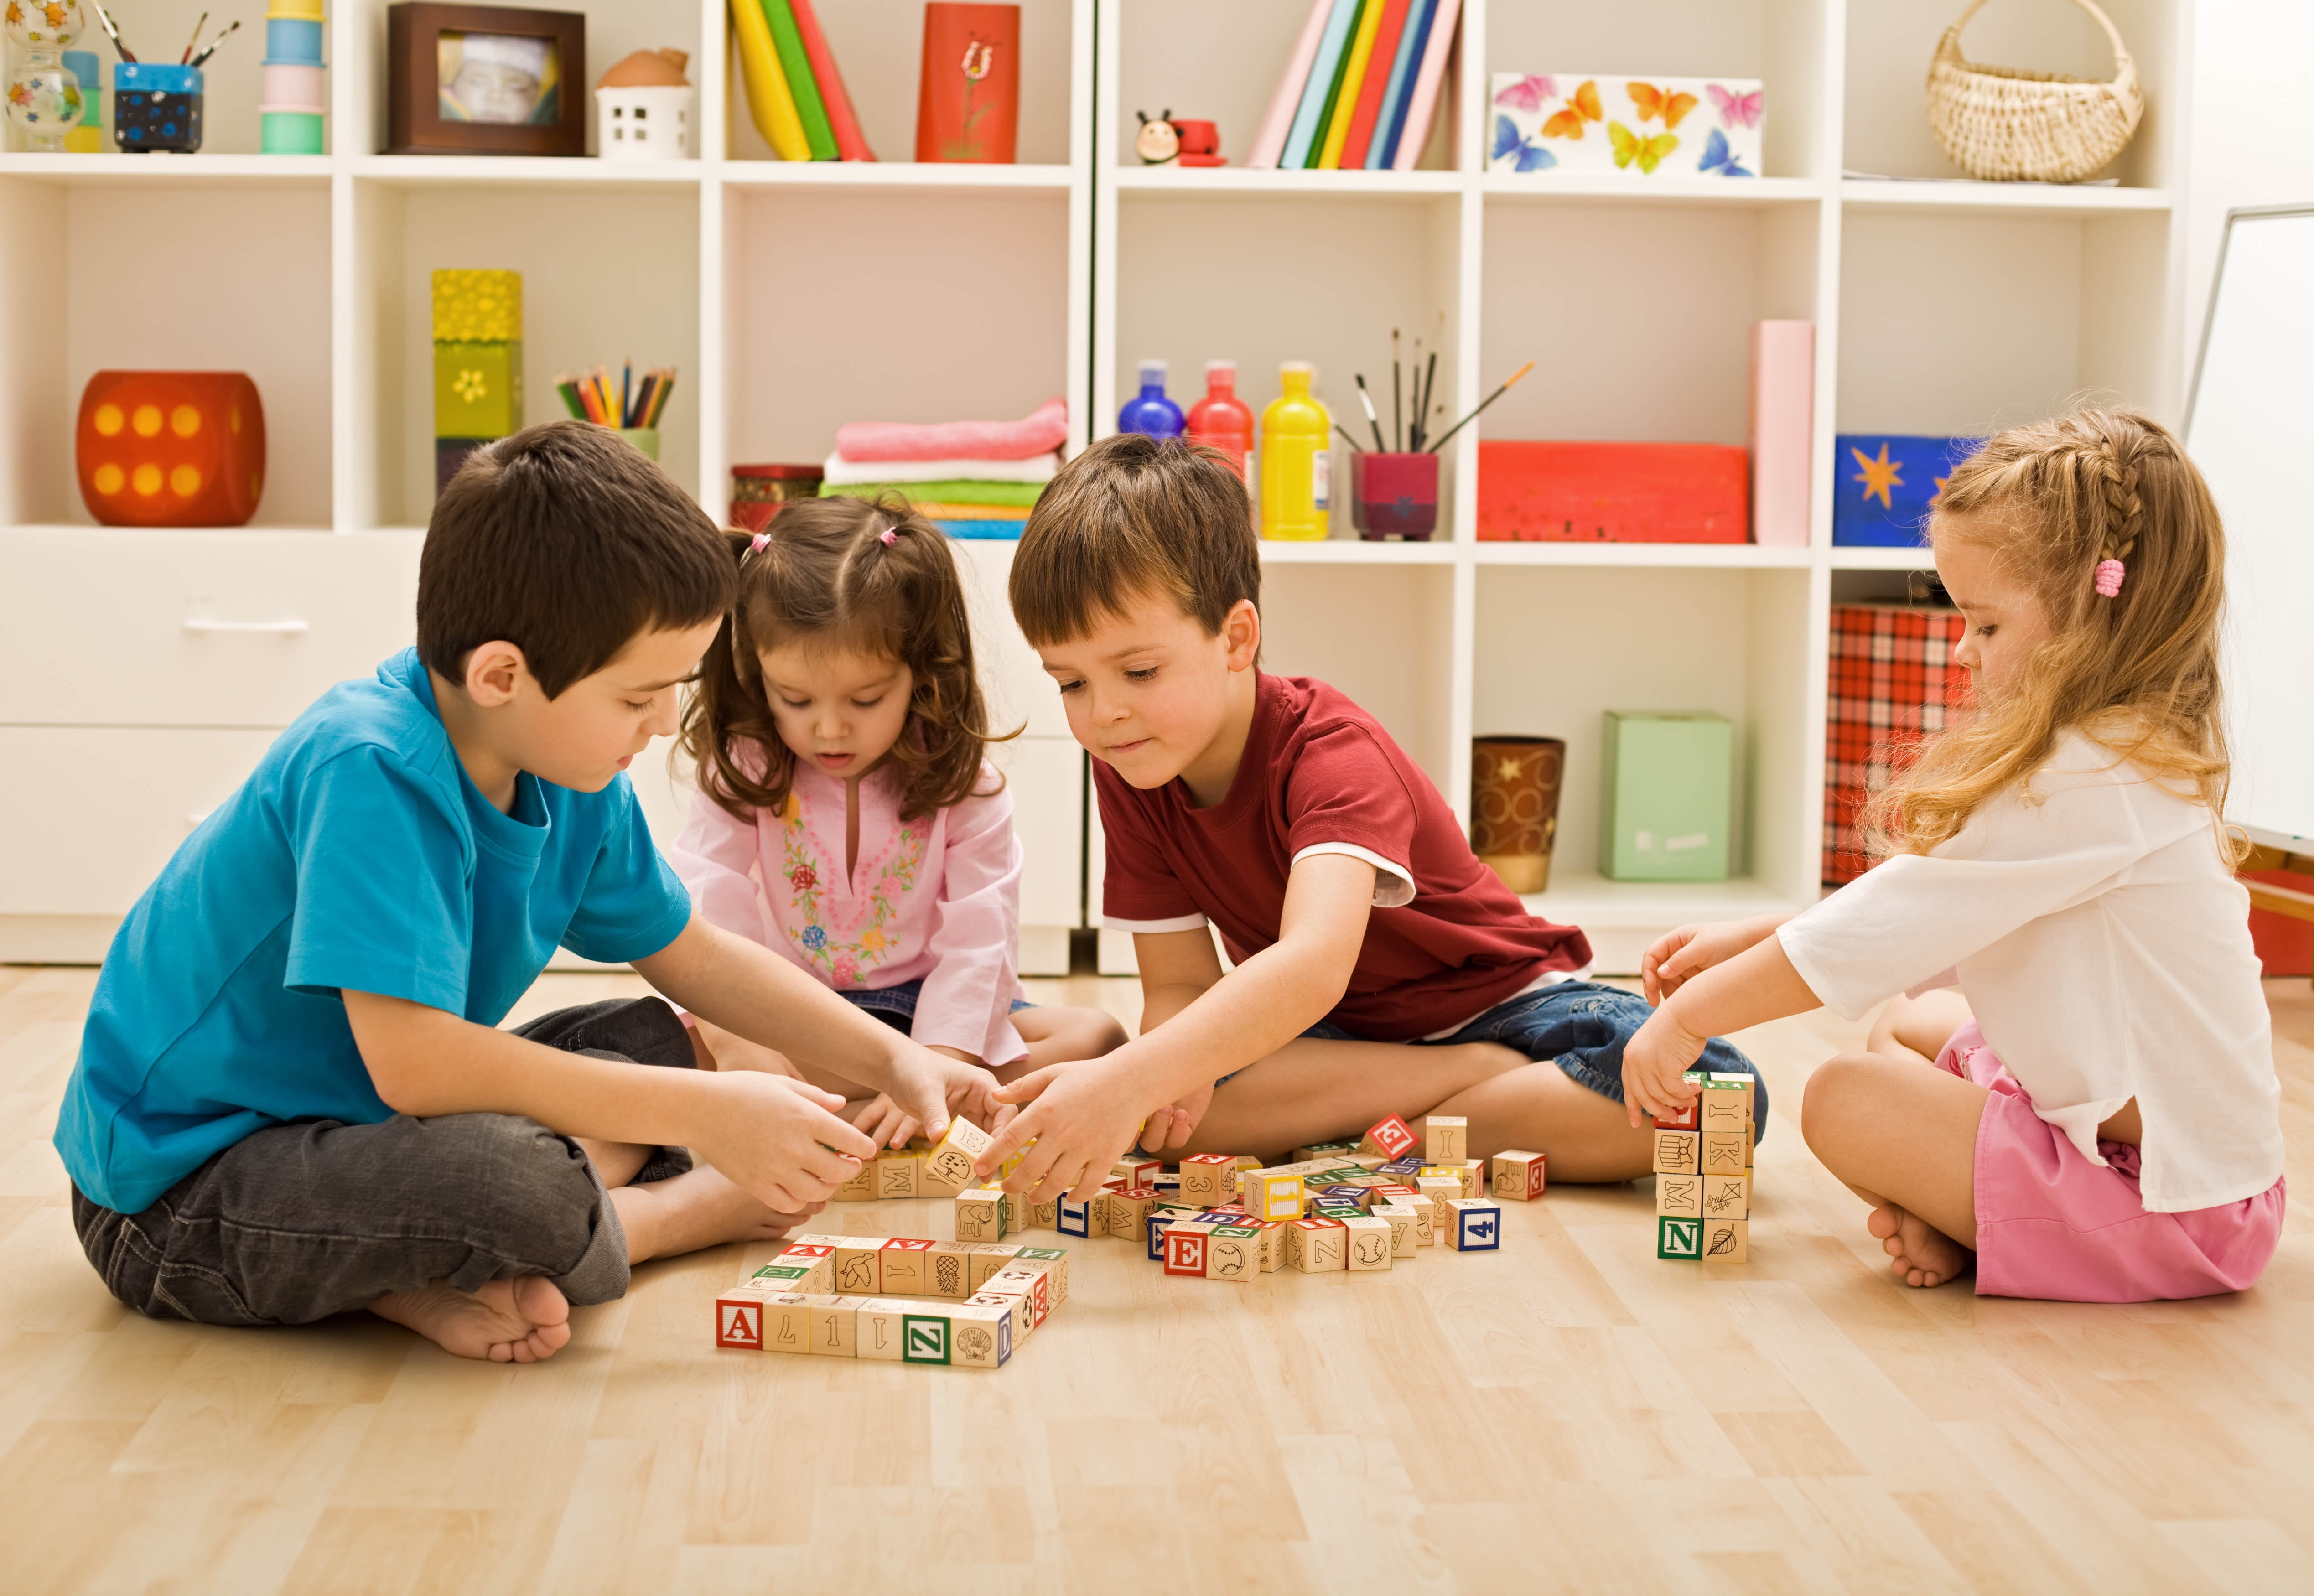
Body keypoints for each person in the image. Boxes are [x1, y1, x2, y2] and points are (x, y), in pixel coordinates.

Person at [54, 422, 996, 1363]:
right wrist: (709, 1120)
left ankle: (419, 1270)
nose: (665, 725)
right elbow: (416, 1068)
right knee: (519, 1184)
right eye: (637, 698)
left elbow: (694, 957)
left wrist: (891, 1060)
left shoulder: (571, 768)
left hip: (358, 1128)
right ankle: (658, 1216)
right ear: (502, 675)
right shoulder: (371, 767)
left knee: (661, 1037)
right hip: (179, 1192)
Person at [971, 432, 1764, 1197]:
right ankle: (1463, 1092)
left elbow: (1312, 965)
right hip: (1341, 1042)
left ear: (1236, 637)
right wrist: (1162, 1082)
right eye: (1070, 683)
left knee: (1719, 1099)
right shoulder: (1136, 765)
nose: (1104, 713)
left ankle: (1418, 1110)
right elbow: (1179, 985)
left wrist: (1132, 1081)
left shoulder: (1332, 752)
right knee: (1187, 1118)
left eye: (1138, 670)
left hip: (1508, 1006)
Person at [1621, 408, 2284, 1301]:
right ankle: (1974, 1216)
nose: (1959, 649)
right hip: (2186, 1164)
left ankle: (1986, 1225)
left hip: (2171, 1204)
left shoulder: (2085, 782)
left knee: (1841, 1096)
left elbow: (1891, 922)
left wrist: (1688, 1017)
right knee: (1901, 1023)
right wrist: (1752, 939)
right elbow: (1923, 912)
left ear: (2095, 610)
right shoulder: (2116, 751)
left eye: (1984, 625)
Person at [670, 496, 1124, 1141]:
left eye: (866, 698)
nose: (828, 728)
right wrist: (739, 1035)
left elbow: (980, 937)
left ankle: (859, 1113)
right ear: (755, 671)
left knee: (1096, 1036)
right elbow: (705, 898)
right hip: (799, 1016)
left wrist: (940, 1061)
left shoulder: (967, 786)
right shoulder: (748, 765)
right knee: (669, 1047)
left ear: (922, 670)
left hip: (926, 1015)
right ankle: (881, 1113)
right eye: (794, 699)